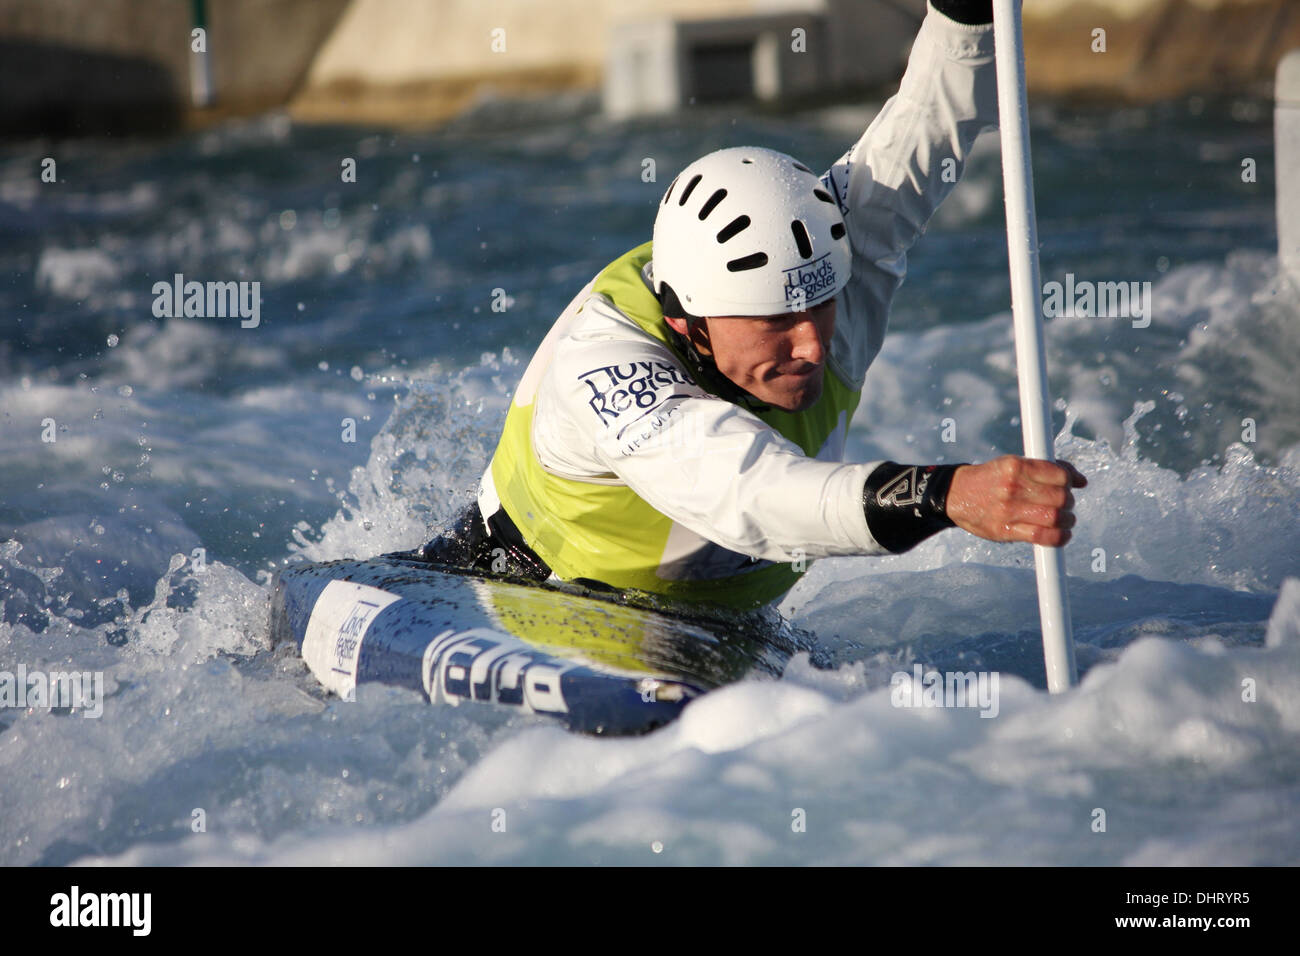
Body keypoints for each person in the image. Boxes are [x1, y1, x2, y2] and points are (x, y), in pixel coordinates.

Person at [420, 0, 1086, 609]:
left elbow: (926, 128)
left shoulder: (833, 265)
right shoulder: (605, 373)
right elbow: (750, 493)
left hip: (716, 622)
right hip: (511, 588)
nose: (814, 344)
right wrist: (944, 494)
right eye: (772, 321)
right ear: (688, 321)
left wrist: (965, 17)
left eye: (820, 304)